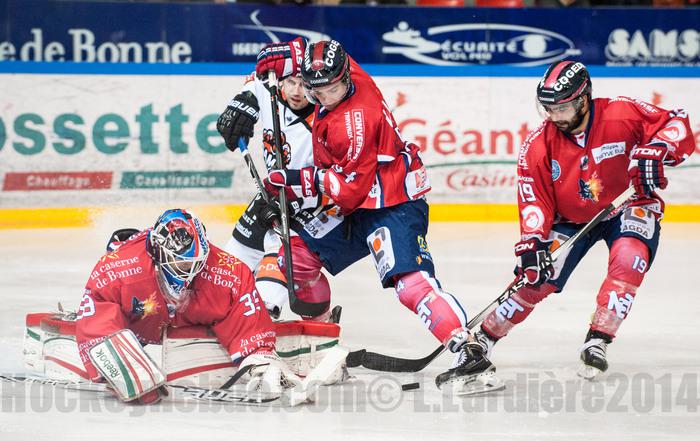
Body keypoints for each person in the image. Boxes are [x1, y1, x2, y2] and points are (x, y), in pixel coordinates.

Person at [253, 38, 502, 394]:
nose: (328, 96)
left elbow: (348, 189)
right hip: (358, 204)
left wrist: (296, 181)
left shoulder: (353, 122)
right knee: (296, 260)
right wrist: (289, 53)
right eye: (319, 90)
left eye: (334, 89)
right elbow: (320, 53)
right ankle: (322, 346)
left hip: (392, 203)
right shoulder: (349, 71)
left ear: (345, 78)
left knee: (410, 284)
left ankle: (469, 351)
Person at [468, 60, 695, 378]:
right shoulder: (538, 145)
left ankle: (598, 339)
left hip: (627, 204)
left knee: (629, 259)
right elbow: (534, 200)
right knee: (536, 278)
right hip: (569, 218)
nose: (555, 116)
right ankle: (483, 338)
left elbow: (676, 122)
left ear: (584, 99)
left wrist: (658, 148)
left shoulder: (621, 112)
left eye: (562, 108)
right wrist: (532, 241)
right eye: (549, 108)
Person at [74, 209, 300, 404]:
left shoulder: (230, 272)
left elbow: (247, 320)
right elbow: (97, 308)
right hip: (140, 318)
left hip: (187, 315)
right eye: (181, 263)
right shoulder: (118, 268)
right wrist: (111, 357)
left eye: (195, 263)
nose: (189, 272)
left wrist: (259, 357)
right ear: (159, 252)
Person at [217, 60, 317, 319]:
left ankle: (264, 315)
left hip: (309, 205)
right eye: (291, 82)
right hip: (270, 194)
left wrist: (295, 200)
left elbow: (332, 181)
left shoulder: (324, 121)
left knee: (278, 264)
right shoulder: (270, 89)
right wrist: (243, 101)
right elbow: (255, 80)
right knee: (225, 271)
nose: (296, 91)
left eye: (304, 85)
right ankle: (219, 311)